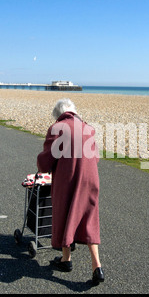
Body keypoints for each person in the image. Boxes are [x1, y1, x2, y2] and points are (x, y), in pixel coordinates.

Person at [37, 98, 104, 285]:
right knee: (89, 217)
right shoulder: (87, 128)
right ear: (74, 111)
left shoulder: (57, 128)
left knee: (64, 213)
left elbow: (46, 161)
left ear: (58, 115)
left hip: (68, 179)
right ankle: (96, 266)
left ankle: (66, 260)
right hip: (90, 178)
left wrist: (44, 167)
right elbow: (96, 157)